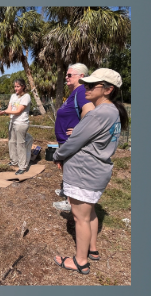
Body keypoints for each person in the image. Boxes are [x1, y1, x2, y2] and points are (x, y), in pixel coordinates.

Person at [50, 68, 128, 275]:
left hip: (85, 170)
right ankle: (92, 249)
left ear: (108, 89)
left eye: (93, 85)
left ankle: (80, 261)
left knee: (80, 217)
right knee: (90, 211)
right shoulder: (112, 111)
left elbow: (75, 140)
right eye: (86, 84)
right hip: (97, 170)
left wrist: (58, 155)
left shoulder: (99, 113)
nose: (87, 88)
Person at [52, 63, 97, 211]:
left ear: (81, 76)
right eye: (66, 74)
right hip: (65, 141)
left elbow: (90, 112)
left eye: (69, 75)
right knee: (67, 168)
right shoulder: (74, 93)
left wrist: (79, 129)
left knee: (72, 171)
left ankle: (70, 202)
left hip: (71, 142)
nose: (66, 77)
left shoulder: (81, 91)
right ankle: (67, 193)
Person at [0, 79, 33, 174]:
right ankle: (14, 161)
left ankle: (22, 166)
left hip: (21, 123)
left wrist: (5, 112)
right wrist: (2, 112)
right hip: (12, 122)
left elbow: (18, 111)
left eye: (18, 86)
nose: (16, 88)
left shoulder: (26, 96)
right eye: (15, 86)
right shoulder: (13, 96)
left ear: (23, 87)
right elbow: (9, 109)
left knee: (20, 144)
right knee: (11, 142)